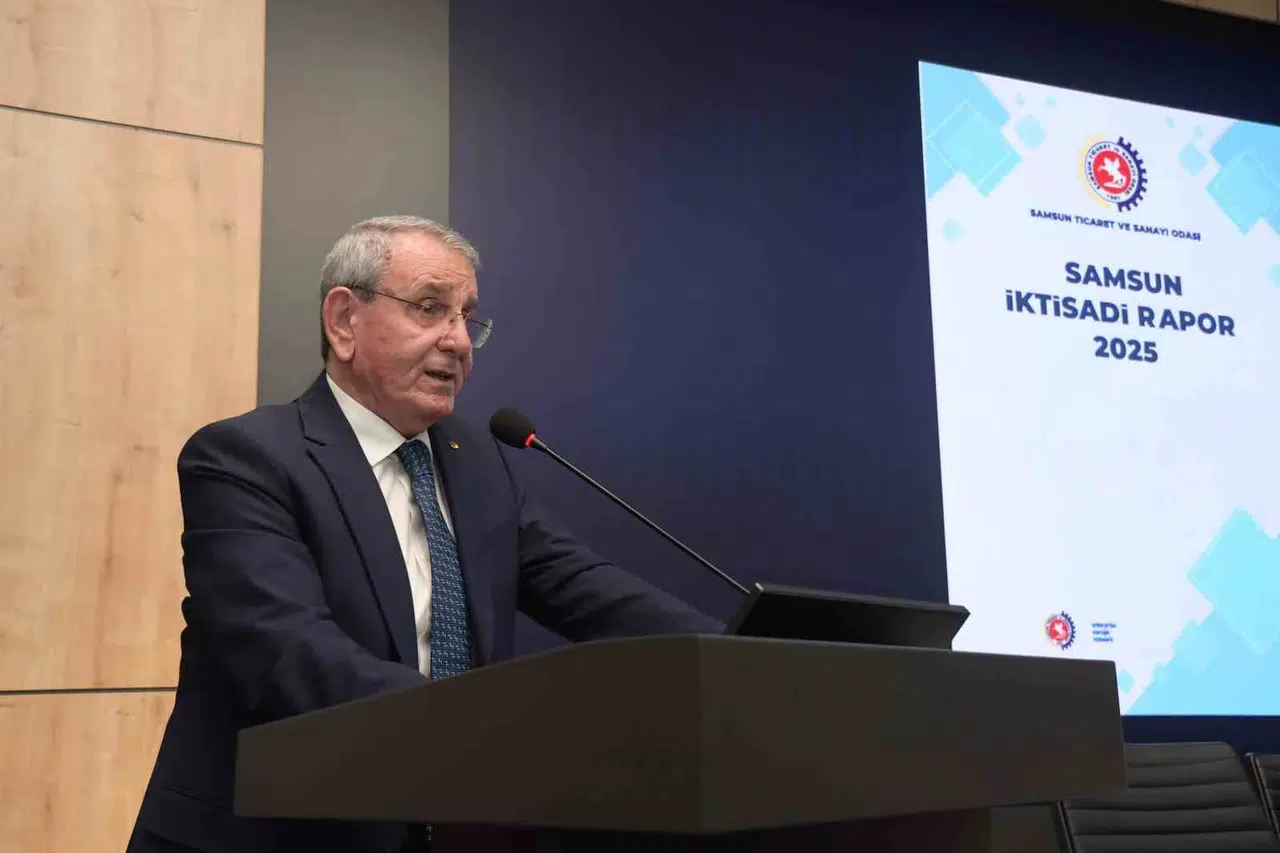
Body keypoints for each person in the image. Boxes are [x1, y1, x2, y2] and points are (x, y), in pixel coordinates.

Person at [127, 216, 721, 853]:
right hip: (277, 834)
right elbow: (289, 653)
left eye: (468, 318)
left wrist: (735, 653)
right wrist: (489, 730)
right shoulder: (246, 459)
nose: (459, 341)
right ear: (344, 322)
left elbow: (585, 588)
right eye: (430, 308)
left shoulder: (478, 462)